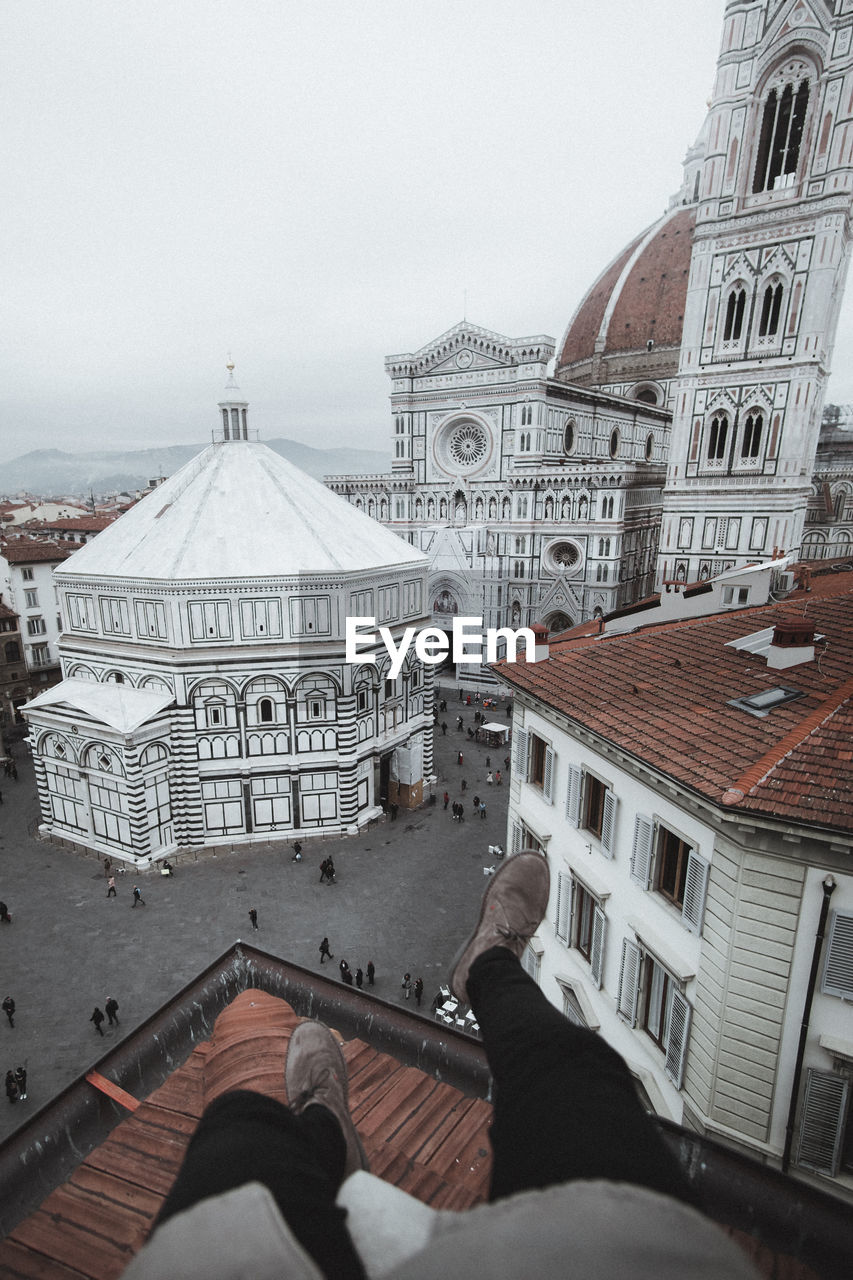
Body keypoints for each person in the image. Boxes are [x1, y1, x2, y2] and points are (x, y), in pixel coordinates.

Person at [121, 851, 757, 1280]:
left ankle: (326, 1123)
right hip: (622, 1253)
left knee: (237, 1122)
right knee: (585, 1073)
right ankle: (488, 964)